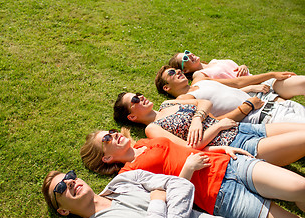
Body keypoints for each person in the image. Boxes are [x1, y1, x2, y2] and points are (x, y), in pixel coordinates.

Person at [80, 129, 305, 218]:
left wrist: (218, 148)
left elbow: (186, 148)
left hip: (229, 164)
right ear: (107, 158)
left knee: (300, 187)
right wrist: (187, 169)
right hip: (219, 197)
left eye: (110, 132)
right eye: (106, 140)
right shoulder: (129, 176)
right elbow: (167, 200)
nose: (113, 135)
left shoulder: (145, 141)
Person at [42, 169, 280, 218]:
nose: (70, 182)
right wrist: (157, 202)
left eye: (69, 176)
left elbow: (180, 186)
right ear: (63, 210)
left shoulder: (124, 180)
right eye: (61, 188)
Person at [112, 92, 305, 166]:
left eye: (137, 94)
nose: (140, 97)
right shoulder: (153, 129)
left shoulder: (168, 103)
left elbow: (205, 102)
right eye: (135, 100)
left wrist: (198, 118)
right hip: (235, 144)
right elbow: (189, 148)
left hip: (244, 128)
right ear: (132, 116)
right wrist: (218, 126)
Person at [155, 66, 305, 124]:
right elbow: (212, 123)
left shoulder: (201, 80)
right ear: (166, 87)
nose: (179, 72)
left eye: (178, 70)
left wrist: (271, 74)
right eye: (172, 73)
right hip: (265, 117)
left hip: (277, 104)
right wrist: (247, 107)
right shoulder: (184, 100)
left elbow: (238, 83)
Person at [168, 50, 305, 99]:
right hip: (254, 93)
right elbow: (231, 86)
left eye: (187, 52)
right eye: (185, 59)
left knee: (302, 83)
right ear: (185, 70)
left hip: (263, 82)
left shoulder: (215, 61)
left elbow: (235, 72)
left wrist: (242, 67)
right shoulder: (199, 76)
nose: (189, 55)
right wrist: (270, 74)